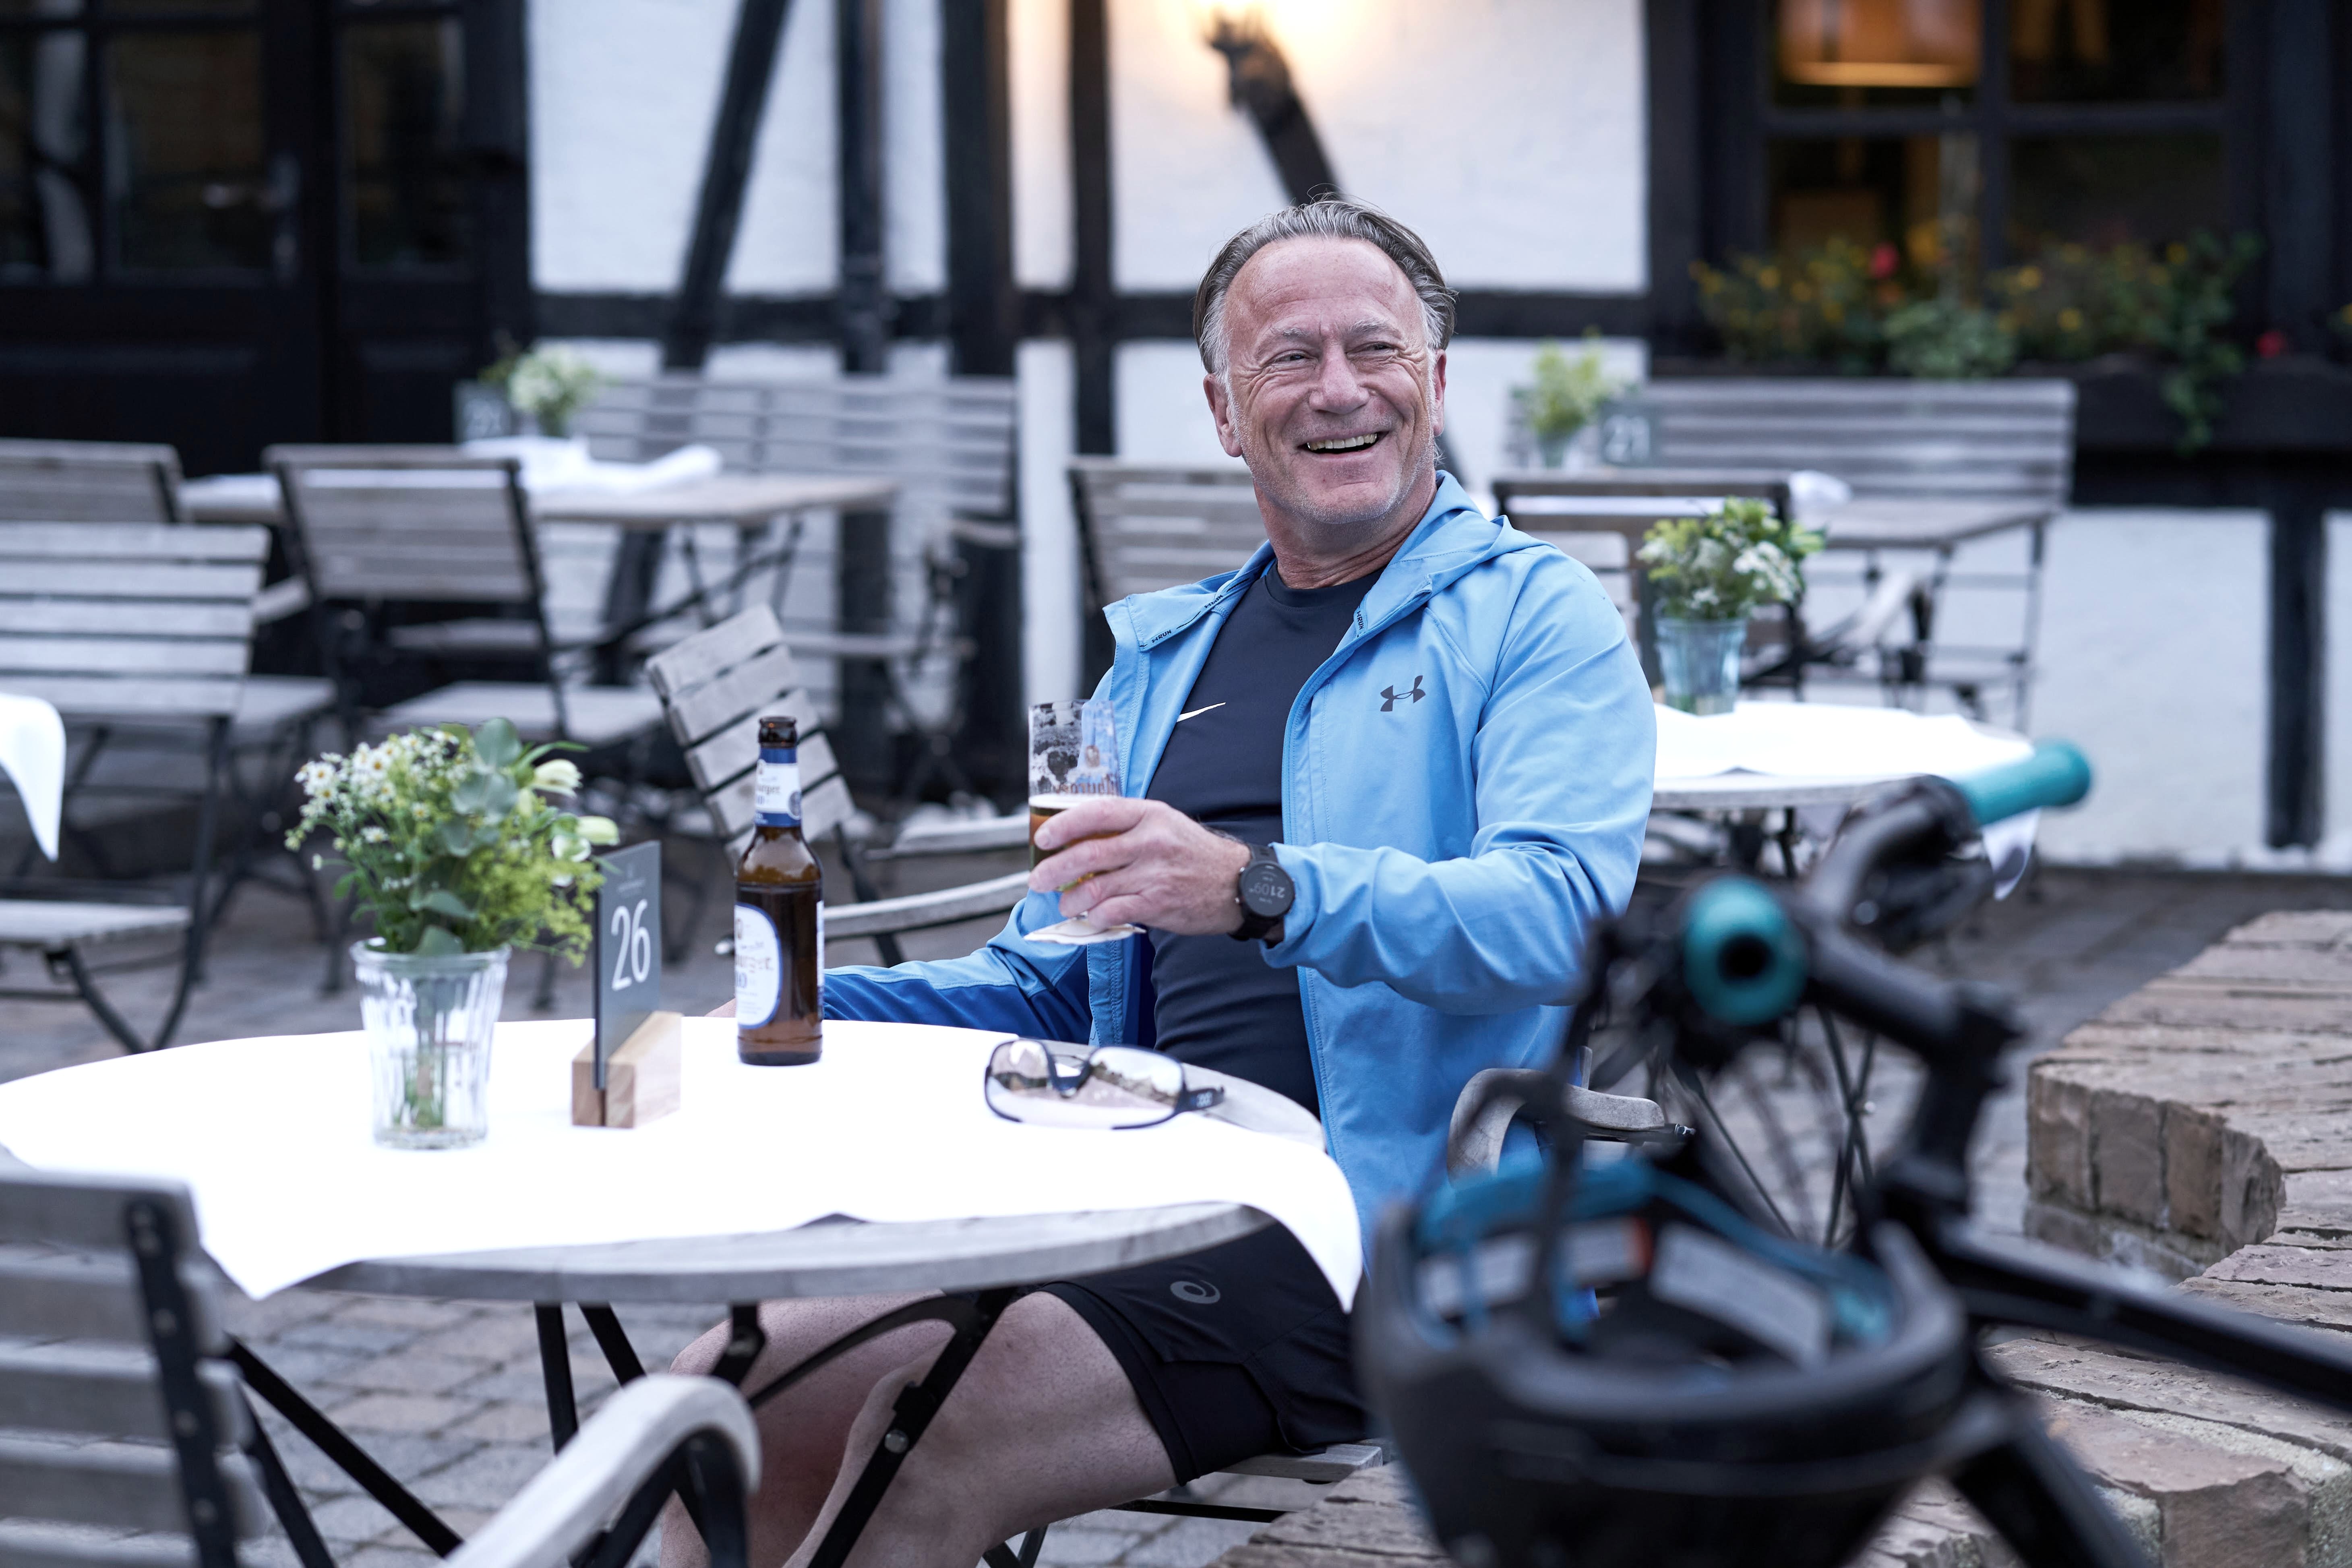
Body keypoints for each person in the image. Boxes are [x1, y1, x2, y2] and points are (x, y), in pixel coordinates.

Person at [664, 196, 1655, 1568]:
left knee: (928, 1434)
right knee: (719, 1404)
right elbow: (1054, 978)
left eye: (1374, 348)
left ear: (1434, 381)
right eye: (1287, 357)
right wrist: (814, 1007)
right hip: (1126, 1192)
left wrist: (1260, 888)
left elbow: (1563, 919)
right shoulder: (1164, 658)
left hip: (1381, 1231)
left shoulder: (1536, 616)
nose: (1338, 389)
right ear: (1221, 409)